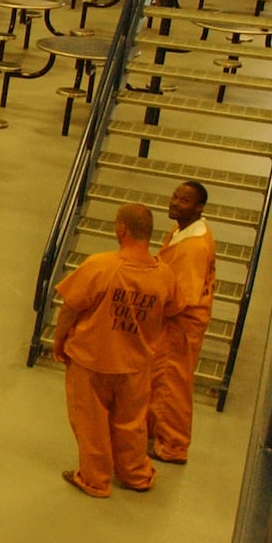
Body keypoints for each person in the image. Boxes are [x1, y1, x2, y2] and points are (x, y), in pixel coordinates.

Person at [53, 203, 184, 496]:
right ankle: (136, 474)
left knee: (91, 423)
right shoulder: (164, 274)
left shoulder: (99, 266)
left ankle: (95, 479)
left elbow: (71, 309)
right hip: (136, 364)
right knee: (132, 422)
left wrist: (59, 342)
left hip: (92, 360)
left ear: (121, 229)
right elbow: (172, 309)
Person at [149, 182, 217, 465]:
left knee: (171, 382)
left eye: (184, 200)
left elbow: (184, 297)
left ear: (199, 207)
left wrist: (153, 311)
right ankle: (155, 432)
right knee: (160, 378)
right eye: (175, 196)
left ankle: (173, 445)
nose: (175, 202)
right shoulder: (182, 230)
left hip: (180, 324)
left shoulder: (194, 247)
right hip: (174, 322)